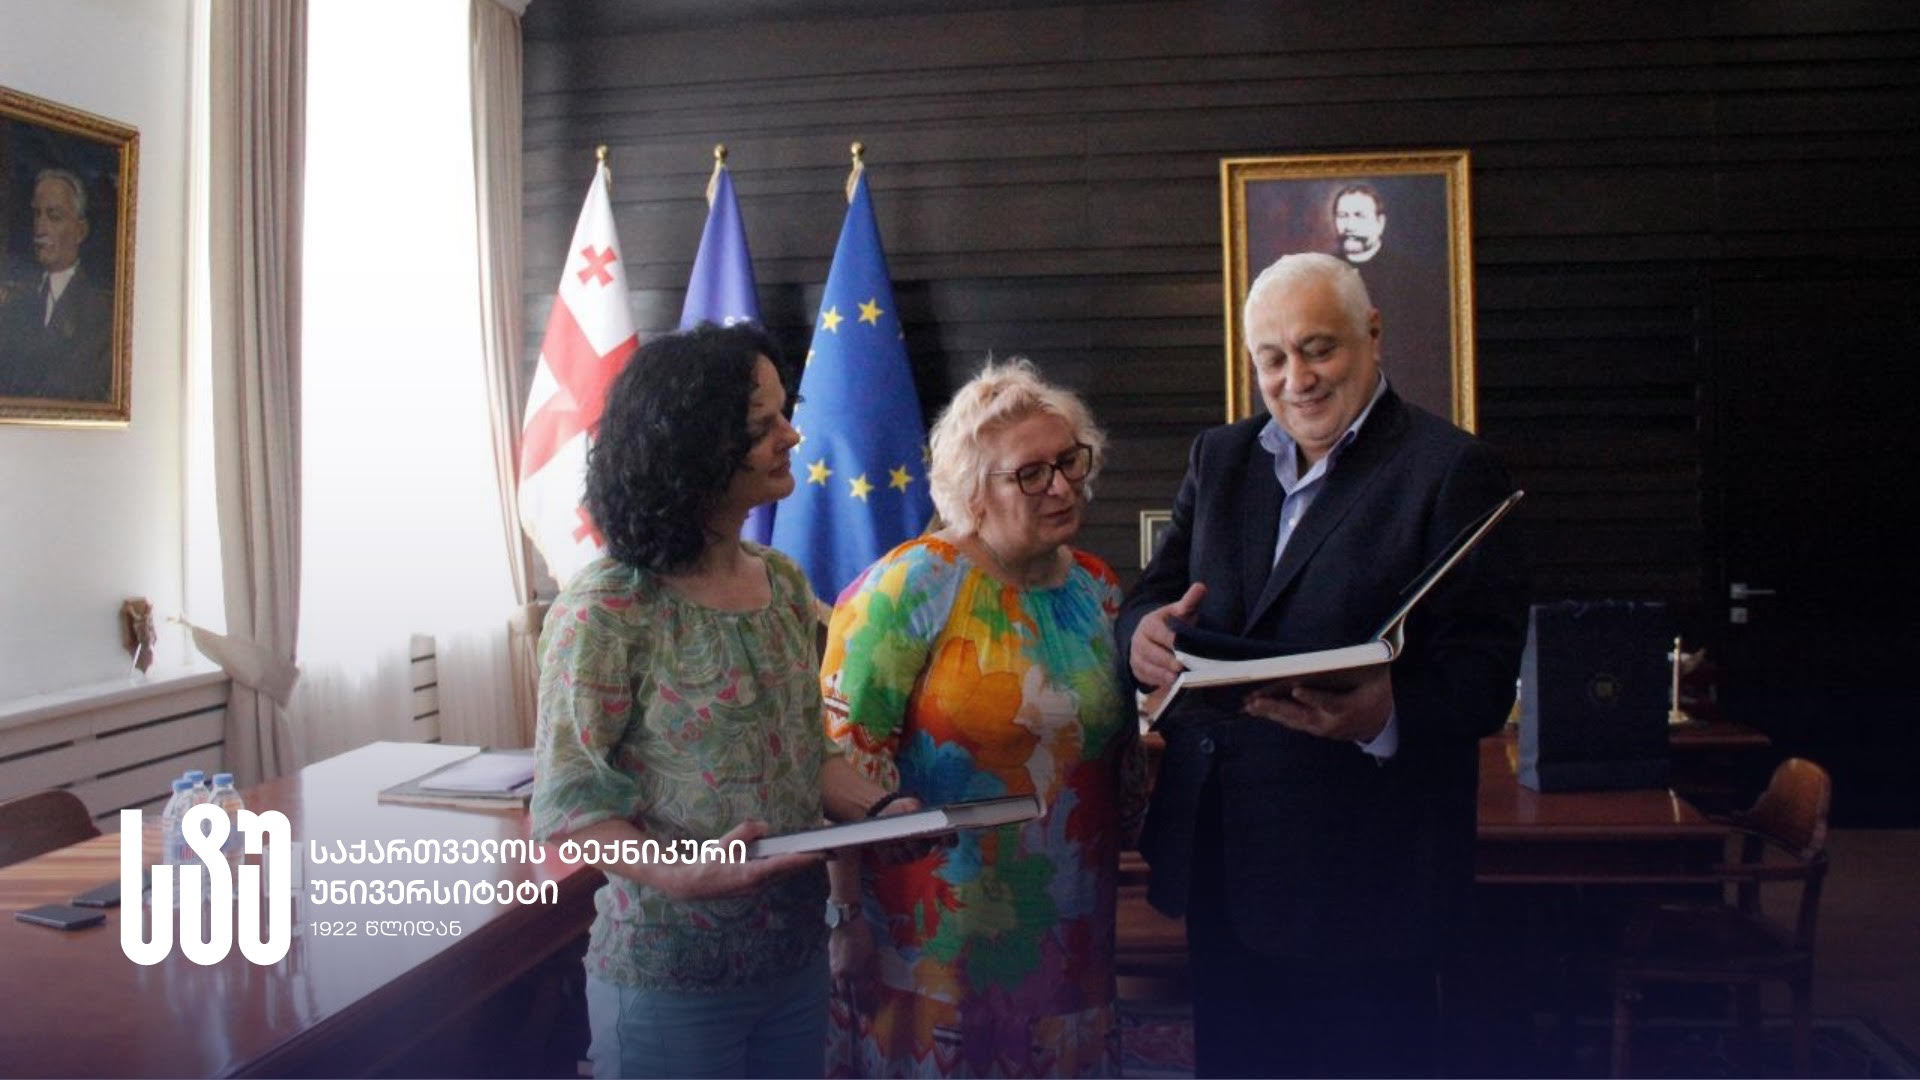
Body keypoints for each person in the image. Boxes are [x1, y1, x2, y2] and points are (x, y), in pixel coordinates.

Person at [1118, 253, 1527, 1077]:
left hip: (1365, 881)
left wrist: (1385, 712)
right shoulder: (1220, 457)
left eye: (1318, 349)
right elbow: (1153, 593)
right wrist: (1139, 636)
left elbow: (1484, 677)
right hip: (1223, 858)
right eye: (1272, 359)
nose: (1295, 380)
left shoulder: (1452, 470)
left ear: (1373, 335)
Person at [530, 322, 910, 1080]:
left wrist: (884, 812)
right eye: (762, 426)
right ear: (694, 450)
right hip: (669, 977)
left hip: (793, 962)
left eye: (783, 415)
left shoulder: (784, 584)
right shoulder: (605, 609)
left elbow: (810, 758)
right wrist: (683, 875)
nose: (792, 436)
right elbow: (572, 810)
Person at [821, 359, 1144, 1077]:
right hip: (932, 943)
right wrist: (843, 918)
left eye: (1070, 460)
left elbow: (1117, 760)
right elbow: (838, 762)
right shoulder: (909, 586)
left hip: (1072, 930)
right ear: (973, 492)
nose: (1062, 486)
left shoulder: (1097, 586)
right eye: (1031, 474)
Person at [0, 169, 114, 400]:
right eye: (37, 215)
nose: (40, 229)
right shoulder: (13, 307)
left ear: (80, 231)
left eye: (54, 217)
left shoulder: (103, 316)